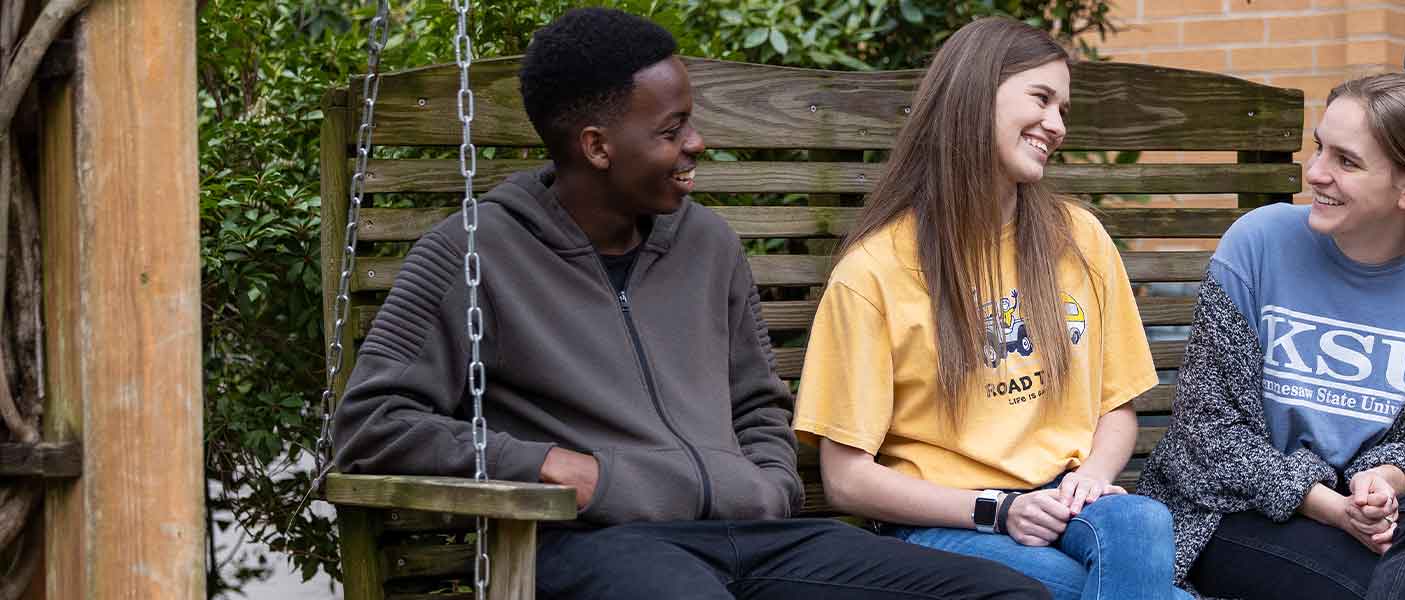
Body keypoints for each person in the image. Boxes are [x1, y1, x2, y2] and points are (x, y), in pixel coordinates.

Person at [329, 8, 1048, 600]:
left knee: (1008, 596)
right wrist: (547, 463)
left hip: (758, 539)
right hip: (598, 547)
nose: (696, 143)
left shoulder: (708, 245)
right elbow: (371, 426)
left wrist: (766, 487)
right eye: (671, 130)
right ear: (597, 146)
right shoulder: (472, 254)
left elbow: (759, 405)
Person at [791, 17, 1188, 600]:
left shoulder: (1079, 237)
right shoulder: (874, 272)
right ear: (977, 96)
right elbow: (846, 480)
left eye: (1063, 110)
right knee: (1081, 588)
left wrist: (1091, 479)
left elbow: (1117, 408)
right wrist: (996, 510)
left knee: (1143, 521)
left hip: (1064, 500)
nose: (1056, 125)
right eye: (1042, 98)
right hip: (944, 521)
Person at [1137, 73, 1405, 600]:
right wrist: (1332, 507)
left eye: (1346, 162)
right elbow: (1208, 433)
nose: (1317, 173)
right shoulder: (1259, 243)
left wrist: (1383, 485)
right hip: (1228, 516)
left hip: (1364, 529)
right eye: (1320, 148)